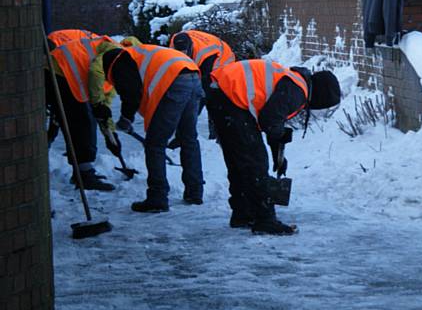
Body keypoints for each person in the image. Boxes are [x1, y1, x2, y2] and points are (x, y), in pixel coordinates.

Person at [209, 59, 341, 235]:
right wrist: (278, 139)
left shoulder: (295, 81)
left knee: (239, 160)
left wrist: (278, 153)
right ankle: (265, 220)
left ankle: (243, 214)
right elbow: (270, 121)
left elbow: (272, 119)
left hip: (221, 93)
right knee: (254, 163)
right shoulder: (298, 90)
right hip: (230, 97)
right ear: (320, 97)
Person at [89, 42, 205, 213]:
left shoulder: (119, 63)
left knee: (155, 144)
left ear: (108, 68)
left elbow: (132, 94)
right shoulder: (138, 54)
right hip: (193, 75)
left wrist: (126, 119)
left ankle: (157, 198)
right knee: (188, 139)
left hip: (174, 80)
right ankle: (194, 192)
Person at [46, 34, 120, 191]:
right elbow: (95, 74)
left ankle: (81, 172)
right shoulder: (115, 54)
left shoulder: (118, 64)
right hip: (60, 70)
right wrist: (98, 106)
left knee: (82, 119)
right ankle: (84, 175)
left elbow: (105, 104)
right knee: (83, 122)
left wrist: (111, 134)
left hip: (65, 71)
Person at [169, 30, 235, 139]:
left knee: (211, 95)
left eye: (185, 52)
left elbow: (202, 87)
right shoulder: (174, 41)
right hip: (205, 55)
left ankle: (216, 132)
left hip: (222, 63)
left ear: (190, 47)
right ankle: (182, 132)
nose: (183, 55)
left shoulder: (206, 54)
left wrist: (192, 111)